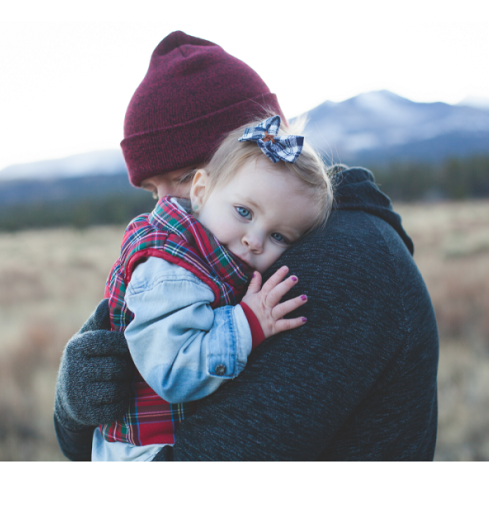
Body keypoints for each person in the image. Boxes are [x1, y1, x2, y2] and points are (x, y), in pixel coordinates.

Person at [54, 30, 439, 460]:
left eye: (182, 178)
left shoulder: (341, 264)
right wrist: (74, 404)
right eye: (151, 191)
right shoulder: (212, 254)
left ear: (258, 148)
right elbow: (84, 434)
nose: (165, 209)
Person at [93, 115, 333, 461]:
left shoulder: (215, 253)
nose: (254, 240)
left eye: (279, 236)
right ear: (201, 192)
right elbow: (173, 371)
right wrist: (247, 322)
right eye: (243, 212)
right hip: (145, 453)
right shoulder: (170, 269)